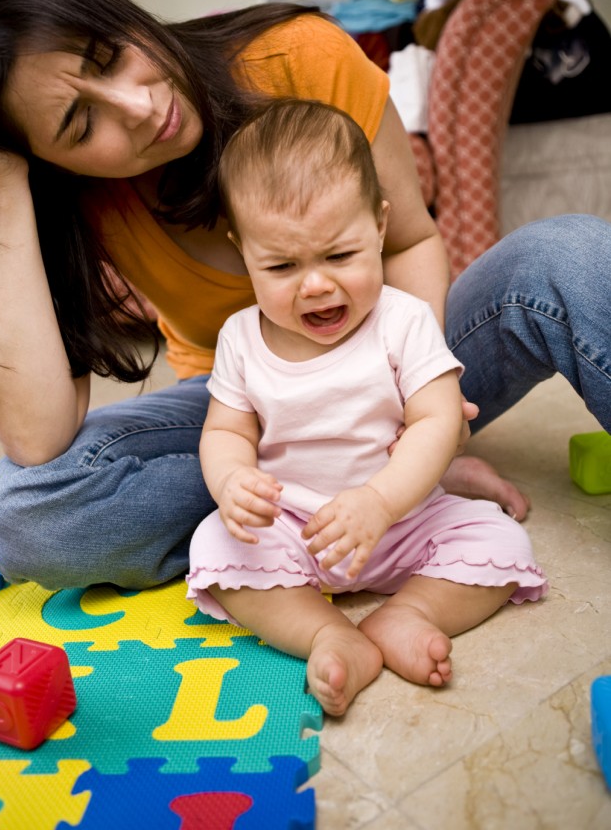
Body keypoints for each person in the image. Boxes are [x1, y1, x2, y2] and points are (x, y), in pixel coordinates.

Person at [0, 0, 608, 591]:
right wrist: (1, 186)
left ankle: (401, 484)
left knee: (566, 255)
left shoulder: (296, 55)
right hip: (251, 414)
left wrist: (408, 417)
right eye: (80, 126)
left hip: (407, 364)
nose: (140, 107)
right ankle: (290, 520)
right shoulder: (67, 200)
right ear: (49, 161)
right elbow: (38, 437)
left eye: (109, 56)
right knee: (21, 510)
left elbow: (406, 241)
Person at [185, 99, 547, 716]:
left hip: (402, 516)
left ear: (379, 228)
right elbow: (225, 430)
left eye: (340, 256)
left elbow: (437, 420)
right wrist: (230, 480)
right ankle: (327, 634)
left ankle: (407, 614)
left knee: (502, 542)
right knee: (215, 547)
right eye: (281, 265)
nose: (317, 284)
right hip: (297, 527)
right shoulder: (241, 338)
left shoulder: (401, 320)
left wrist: (381, 502)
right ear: (243, 252)